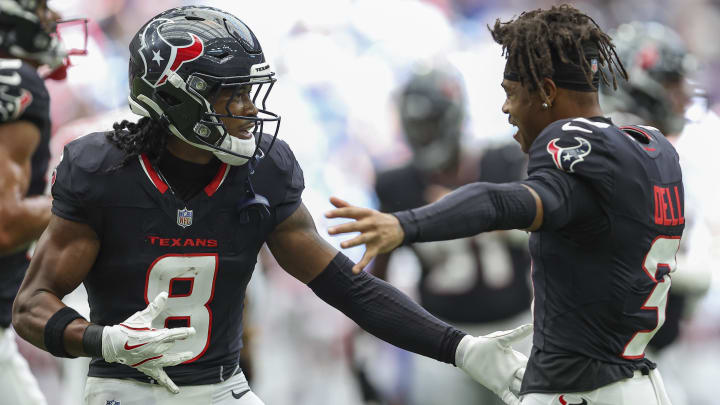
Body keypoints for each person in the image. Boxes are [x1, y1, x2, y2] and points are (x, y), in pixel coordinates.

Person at [11, 6, 530, 405]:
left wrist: (459, 348)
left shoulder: (262, 167)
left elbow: (347, 287)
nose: (249, 110)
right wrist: (105, 341)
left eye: (249, 91)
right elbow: (31, 305)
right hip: (125, 391)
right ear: (175, 98)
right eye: (231, 95)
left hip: (220, 388)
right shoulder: (102, 170)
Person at [326, 5, 682, 405]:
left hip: (580, 389)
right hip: (636, 380)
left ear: (546, 92)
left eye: (511, 93)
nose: (505, 108)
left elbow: (503, 201)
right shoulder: (654, 148)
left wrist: (405, 224)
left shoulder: (566, 148)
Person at [369, 65, 532, 405]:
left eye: (429, 125)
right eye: (417, 127)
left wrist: (463, 211)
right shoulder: (396, 184)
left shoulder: (504, 163)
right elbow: (378, 268)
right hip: (443, 337)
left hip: (519, 329)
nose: (424, 135)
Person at [600, 21, 712, 405]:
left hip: (656, 353)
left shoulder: (669, 152)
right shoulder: (609, 151)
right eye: (671, 80)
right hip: (608, 361)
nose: (683, 93)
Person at [0, 1, 78, 404]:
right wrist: (75, 200)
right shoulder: (16, 78)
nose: (50, 20)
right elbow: (5, 223)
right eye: (40, 8)